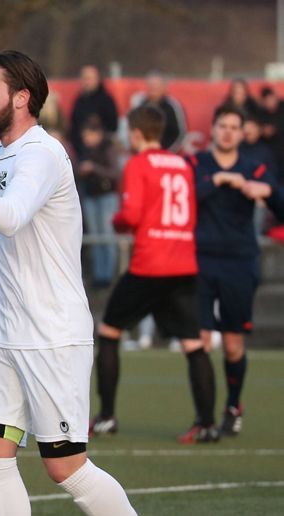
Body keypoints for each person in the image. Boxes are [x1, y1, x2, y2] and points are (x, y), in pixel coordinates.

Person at [0, 50, 136, 516]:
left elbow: (12, 217)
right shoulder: (3, 156)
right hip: (5, 332)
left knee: (66, 468)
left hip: (52, 334)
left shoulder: (41, 153)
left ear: (22, 98)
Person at [91, 106, 204, 441]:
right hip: (183, 261)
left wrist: (118, 221)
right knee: (193, 343)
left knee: (109, 332)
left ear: (137, 133)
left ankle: (107, 416)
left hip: (150, 262)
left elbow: (132, 215)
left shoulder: (138, 164)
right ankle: (207, 422)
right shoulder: (183, 164)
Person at [188, 105, 276, 440]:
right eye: (222, 125)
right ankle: (205, 417)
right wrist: (219, 180)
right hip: (201, 261)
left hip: (239, 262)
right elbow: (190, 195)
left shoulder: (255, 166)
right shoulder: (196, 163)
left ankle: (233, 407)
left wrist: (263, 190)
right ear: (213, 129)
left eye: (233, 127)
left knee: (234, 344)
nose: (227, 132)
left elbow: (277, 199)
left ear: (242, 133)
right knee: (199, 341)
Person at [77, 117, 121, 288]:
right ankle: (99, 275)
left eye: (89, 135)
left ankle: (108, 275)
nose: (86, 139)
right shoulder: (85, 150)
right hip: (91, 195)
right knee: (95, 236)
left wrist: (94, 168)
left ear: (98, 134)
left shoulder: (107, 148)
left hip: (106, 196)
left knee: (106, 235)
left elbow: (115, 173)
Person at [69, 65, 118, 158]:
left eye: (89, 79)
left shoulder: (107, 100)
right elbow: (73, 125)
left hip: (102, 151)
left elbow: (113, 126)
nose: (86, 82)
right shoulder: (79, 100)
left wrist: (98, 137)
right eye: (84, 79)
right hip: (79, 150)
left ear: (98, 79)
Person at [131, 72, 187, 152]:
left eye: (156, 85)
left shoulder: (173, 106)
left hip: (167, 153)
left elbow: (180, 133)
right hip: (142, 153)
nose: (153, 88)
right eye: (150, 85)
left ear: (164, 87)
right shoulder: (140, 104)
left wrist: (167, 153)